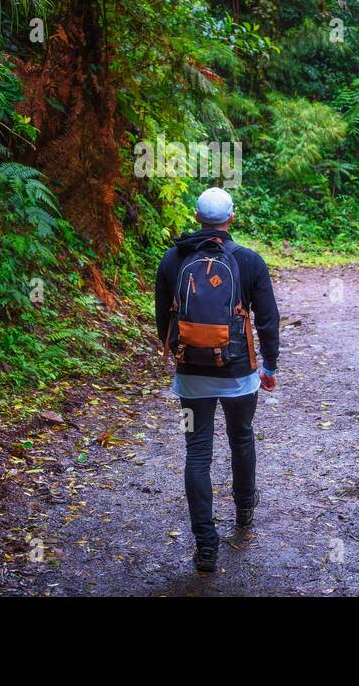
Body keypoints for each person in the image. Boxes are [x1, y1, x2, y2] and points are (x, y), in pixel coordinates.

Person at [154, 186, 279, 573]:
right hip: (239, 375)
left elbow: (164, 319)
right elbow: (267, 320)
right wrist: (269, 367)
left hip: (192, 376)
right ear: (232, 218)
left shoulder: (173, 260)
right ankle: (244, 509)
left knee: (197, 451)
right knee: (241, 436)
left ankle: (206, 544)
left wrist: (181, 353)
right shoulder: (249, 261)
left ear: (196, 218)